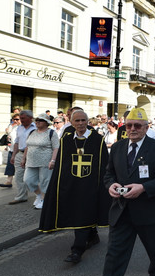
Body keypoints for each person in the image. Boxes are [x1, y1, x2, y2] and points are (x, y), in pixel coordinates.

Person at [81, 108, 155, 276]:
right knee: (113, 259)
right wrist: (111, 185)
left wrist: (144, 188)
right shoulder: (118, 147)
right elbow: (108, 174)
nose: (132, 129)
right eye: (129, 125)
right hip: (121, 211)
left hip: (148, 212)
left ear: (146, 127)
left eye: (137, 126)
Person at [40, 109, 110, 263]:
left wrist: (103, 186)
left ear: (88, 122)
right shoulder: (66, 140)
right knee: (80, 213)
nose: (80, 124)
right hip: (72, 185)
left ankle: (77, 250)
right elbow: (62, 164)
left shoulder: (97, 140)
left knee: (83, 213)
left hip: (90, 185)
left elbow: (104, 164)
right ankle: (92, 236)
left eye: (83, 120)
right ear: (71, 123)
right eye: (77, 121)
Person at [22, 113, 59, 210]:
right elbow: (28, 146)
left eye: (40, 120)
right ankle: (38, 194)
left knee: (45, 181)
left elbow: (56, 148)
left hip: (45, 161)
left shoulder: (51, 133)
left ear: (46, 123)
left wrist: (53, 160)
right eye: (37, 120)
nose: (37, 122)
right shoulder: (32, 132)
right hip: (31, 161)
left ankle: (43, 199)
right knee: (28, 180)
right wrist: (23, 158)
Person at [9, 110, 36, 204]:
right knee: (19, 176)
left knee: (33, 177)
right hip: (20, 153)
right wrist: (13, 155)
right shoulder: (19, 128)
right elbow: (17, 142)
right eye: (20, 118)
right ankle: (21, 196)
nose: (21, 120)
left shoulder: (36, 128)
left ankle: (40, 196)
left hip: (33, 154)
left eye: (23, 118)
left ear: (30, 118)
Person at [0, 113, 20, 188]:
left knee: (21, 168)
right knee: (10, 166)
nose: (15, 121)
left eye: (17, 119)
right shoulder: (14, 127)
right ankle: (9, 181)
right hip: (12, 149)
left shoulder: (24, 128)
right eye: (14, 119)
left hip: (20, 151)